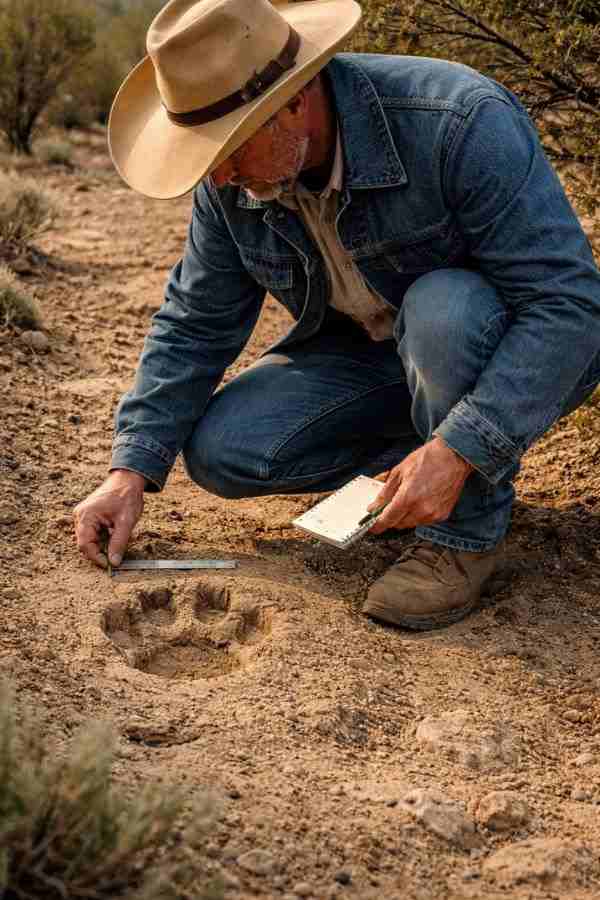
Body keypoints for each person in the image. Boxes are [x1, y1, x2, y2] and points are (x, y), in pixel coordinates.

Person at [74, 0, 600, 630]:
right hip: (375, 358)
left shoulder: (457, 120)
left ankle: (464, 536)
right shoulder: (232, 183)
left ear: (295, 100)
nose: (220, 177)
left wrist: (463, 445)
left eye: (230, 148)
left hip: (502, 346)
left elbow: (569, 304)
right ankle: (417, 475)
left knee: (442, 310)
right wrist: (129, 469)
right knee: (225, 449)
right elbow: (195, 321)